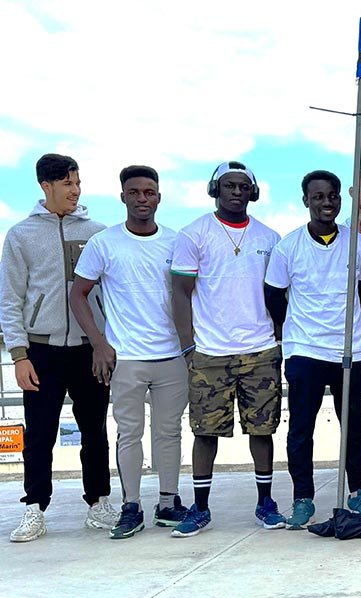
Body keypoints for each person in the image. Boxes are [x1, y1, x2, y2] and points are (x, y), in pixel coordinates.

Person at [68, 165, 189, 539]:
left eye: (149, 192)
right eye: (134, 192)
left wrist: (191, 346)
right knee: (129, 434)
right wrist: (99, 342)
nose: (142, 198)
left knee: (169, 432)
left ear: (158, 197)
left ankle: (168, 502)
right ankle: (131, 505)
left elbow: (189, 295)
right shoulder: (105, 243)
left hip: (171, 356)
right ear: (122, 196)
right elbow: (78, 294)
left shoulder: (176, 241)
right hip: (127, 357)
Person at [2, 153, 115, 542]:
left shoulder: (99, 232)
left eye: (78, 182)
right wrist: (19, 355)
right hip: (42, 351)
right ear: (45, 186)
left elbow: (112, 295)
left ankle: (99, 502)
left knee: (95, 431)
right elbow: (10, 298)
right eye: (67, 183)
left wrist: (107, 344)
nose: (76, 190)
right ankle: (34, 509)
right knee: (39, 435)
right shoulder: (21, 235)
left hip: (89, 350)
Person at [170, 161, 284, 537]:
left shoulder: (270, 237)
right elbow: (181, 294)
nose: (236, 192)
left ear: (253, 191)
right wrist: (189, 348)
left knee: (262, 430)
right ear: (214, 189)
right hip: (210, 353)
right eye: (228, 185)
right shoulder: (193, 235)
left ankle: (265, 503)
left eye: (242, 186)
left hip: (261, 350)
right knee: (205, 433)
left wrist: (279, 339)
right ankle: (200, 508)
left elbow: (279, 294)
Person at [264, 170, 361, 529]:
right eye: (318, 197)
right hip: (305, 351)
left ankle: (358, 490)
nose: (326, 203)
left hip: (350, 350)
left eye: (332, 196)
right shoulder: (289, 245)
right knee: (301, 428)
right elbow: (273, 297)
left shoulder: (358, 244)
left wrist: (342, 325)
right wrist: (301, 329)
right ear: (306, 201)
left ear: (339, 199)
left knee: (354, 429)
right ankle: (303, 497)